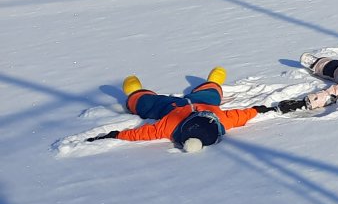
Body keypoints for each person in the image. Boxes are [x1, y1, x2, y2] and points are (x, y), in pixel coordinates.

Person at [87, 68, 299, 151]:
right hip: (203, 100)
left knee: (147, 104)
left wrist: (117, 134)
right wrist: (258, 110)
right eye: (208, 117)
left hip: (168, 108)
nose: (206, 115)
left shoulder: (168, 126)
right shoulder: (220, 118)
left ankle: (135, 92)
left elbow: (142, 133)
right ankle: (213, 82)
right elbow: (239, 115)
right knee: (211, 94)